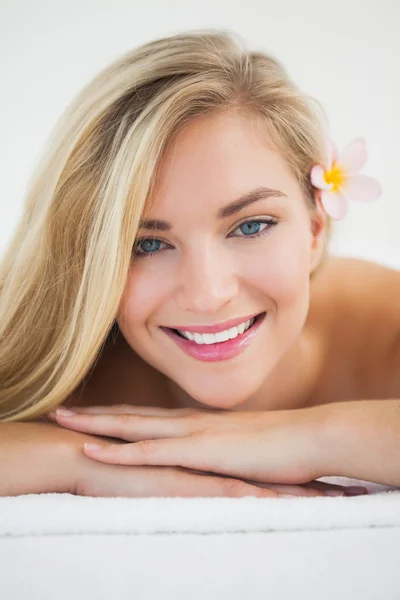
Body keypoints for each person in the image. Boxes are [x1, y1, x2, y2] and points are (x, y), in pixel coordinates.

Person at [0, 29, 398, 499]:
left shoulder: (385, 330)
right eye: (145, 245)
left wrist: (319, 436)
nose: (208, 294)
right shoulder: (70, 364)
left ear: (315, 230)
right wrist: (78, 464)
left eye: (250, 226)